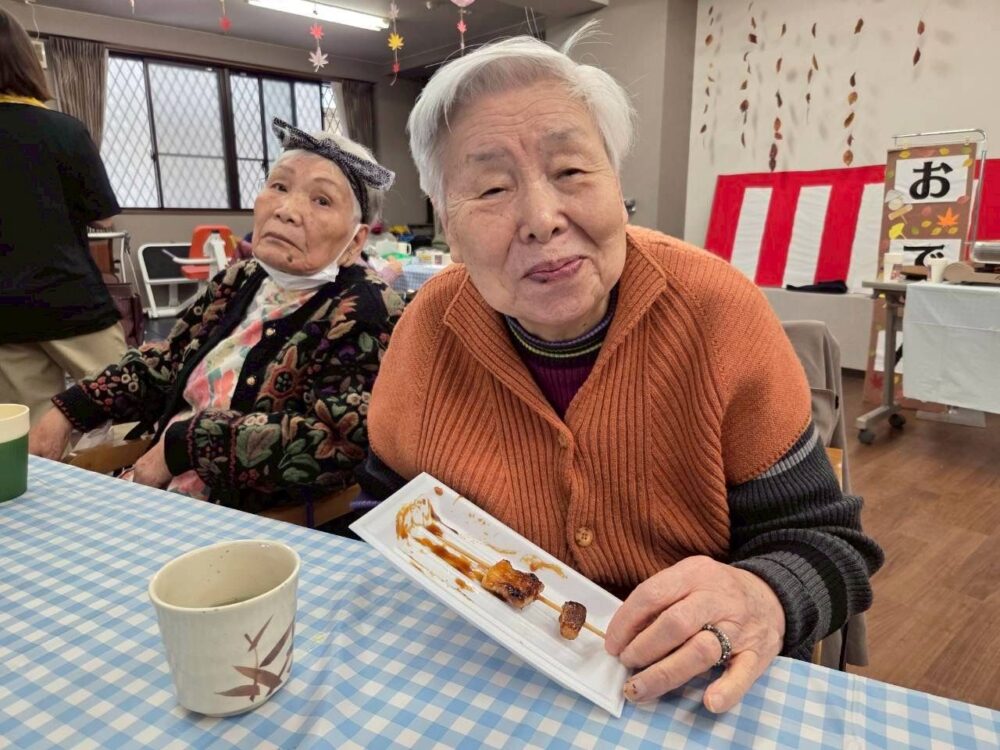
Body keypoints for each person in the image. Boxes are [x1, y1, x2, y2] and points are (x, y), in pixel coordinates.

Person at [357, 29, 884, 712]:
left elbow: (829, 545)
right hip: (487, 680)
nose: (543, 219)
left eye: (572, 172)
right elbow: (383, 509)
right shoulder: (428, 330)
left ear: (617, 184)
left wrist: (763, 595)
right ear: (447, 229)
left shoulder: (717, 310)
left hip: (687, 689)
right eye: (490, 187)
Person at [30, 119, 403, 517]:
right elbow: (170, 361)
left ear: (357, 240)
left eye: (321, 200)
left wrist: (184, 444)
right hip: (161, 490)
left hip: (254, 524)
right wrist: (76, 406)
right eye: (278, 186)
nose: (287, 210)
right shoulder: (240, 279)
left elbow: (339, 443)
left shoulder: (364, 308)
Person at [0, 8, 126, 426]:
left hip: (7, 311)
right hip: (70, 299)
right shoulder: (63, 130)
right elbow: (105, 219)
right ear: (25, 60)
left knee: (29, 436)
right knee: (127, 413)